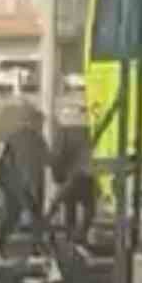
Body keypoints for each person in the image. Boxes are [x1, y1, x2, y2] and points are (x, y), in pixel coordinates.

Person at [0, 111, 51, 261]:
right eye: (40, 122)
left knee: (13, 215)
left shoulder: (14, 137)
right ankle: (36, 248)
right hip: (25, 183)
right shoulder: (35, 139)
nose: (41, 125)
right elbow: (44, 160)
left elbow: (7, 161)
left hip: (13, 183)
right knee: (34, 216)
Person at [51, 105, 97, 249]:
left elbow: (57, 155)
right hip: (86, 174)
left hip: (69, 176)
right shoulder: (89, 131)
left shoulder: (63, 133)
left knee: (69, 206)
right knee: (89, 206)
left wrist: (57, 176)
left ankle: (71, 237)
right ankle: (80, 235)